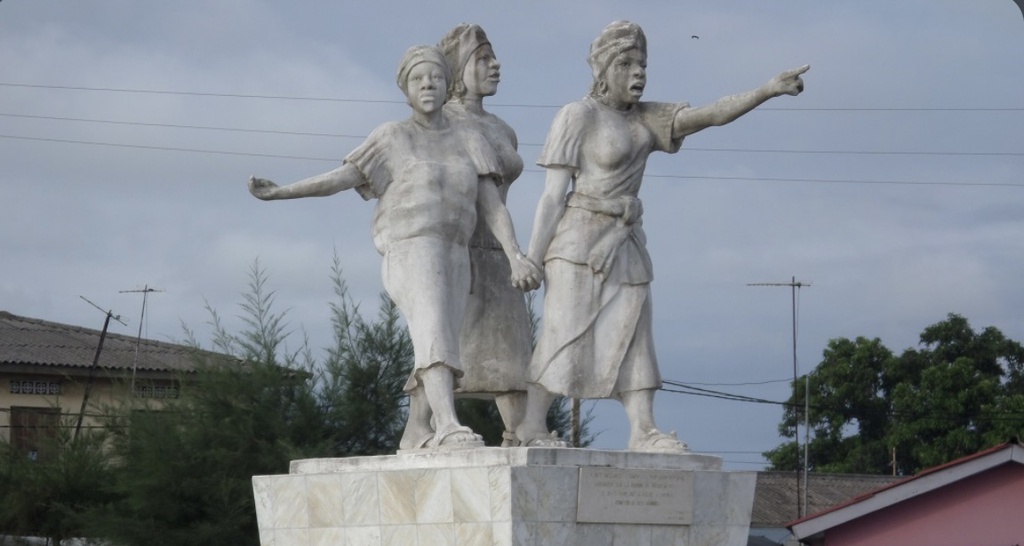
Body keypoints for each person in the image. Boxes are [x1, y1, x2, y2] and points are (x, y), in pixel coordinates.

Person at [515, 20, 808, 450]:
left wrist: (767, 89)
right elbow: (552, 195)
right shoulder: (578, 115)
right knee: (564, 331)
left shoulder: (648, 118)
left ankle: (643, 429)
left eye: (643, 65)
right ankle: (532, 425)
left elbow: (712, 114)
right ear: (604, 70)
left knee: (636, 333)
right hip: (577, 244)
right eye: (627, 64)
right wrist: (533, 258)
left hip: (626, 240)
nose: (639, 73)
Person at [249, 44, 542, 451]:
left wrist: (515, 255)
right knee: (435, 330)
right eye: (418, 79)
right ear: (405, 90)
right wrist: (283, 192)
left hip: (456, 249)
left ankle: (415, 431)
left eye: (436, 78)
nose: (428, 85)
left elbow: (491, 206)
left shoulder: (469, 138)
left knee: (443, 338)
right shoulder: (392, 136)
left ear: (447, 85)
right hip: (412, 246)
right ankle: (446, 424)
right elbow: (343, 177)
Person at [396, 22, 532, 449]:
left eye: (493, 58)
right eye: (483, 59)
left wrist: (514, 253)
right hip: (456, 244)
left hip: (497, 247)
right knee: (447, 339)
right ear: (458, 68)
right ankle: (422, 425)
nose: (495, 66)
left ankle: (521, 430)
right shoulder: (445, 122)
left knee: (510, 346)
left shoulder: (502, 129)